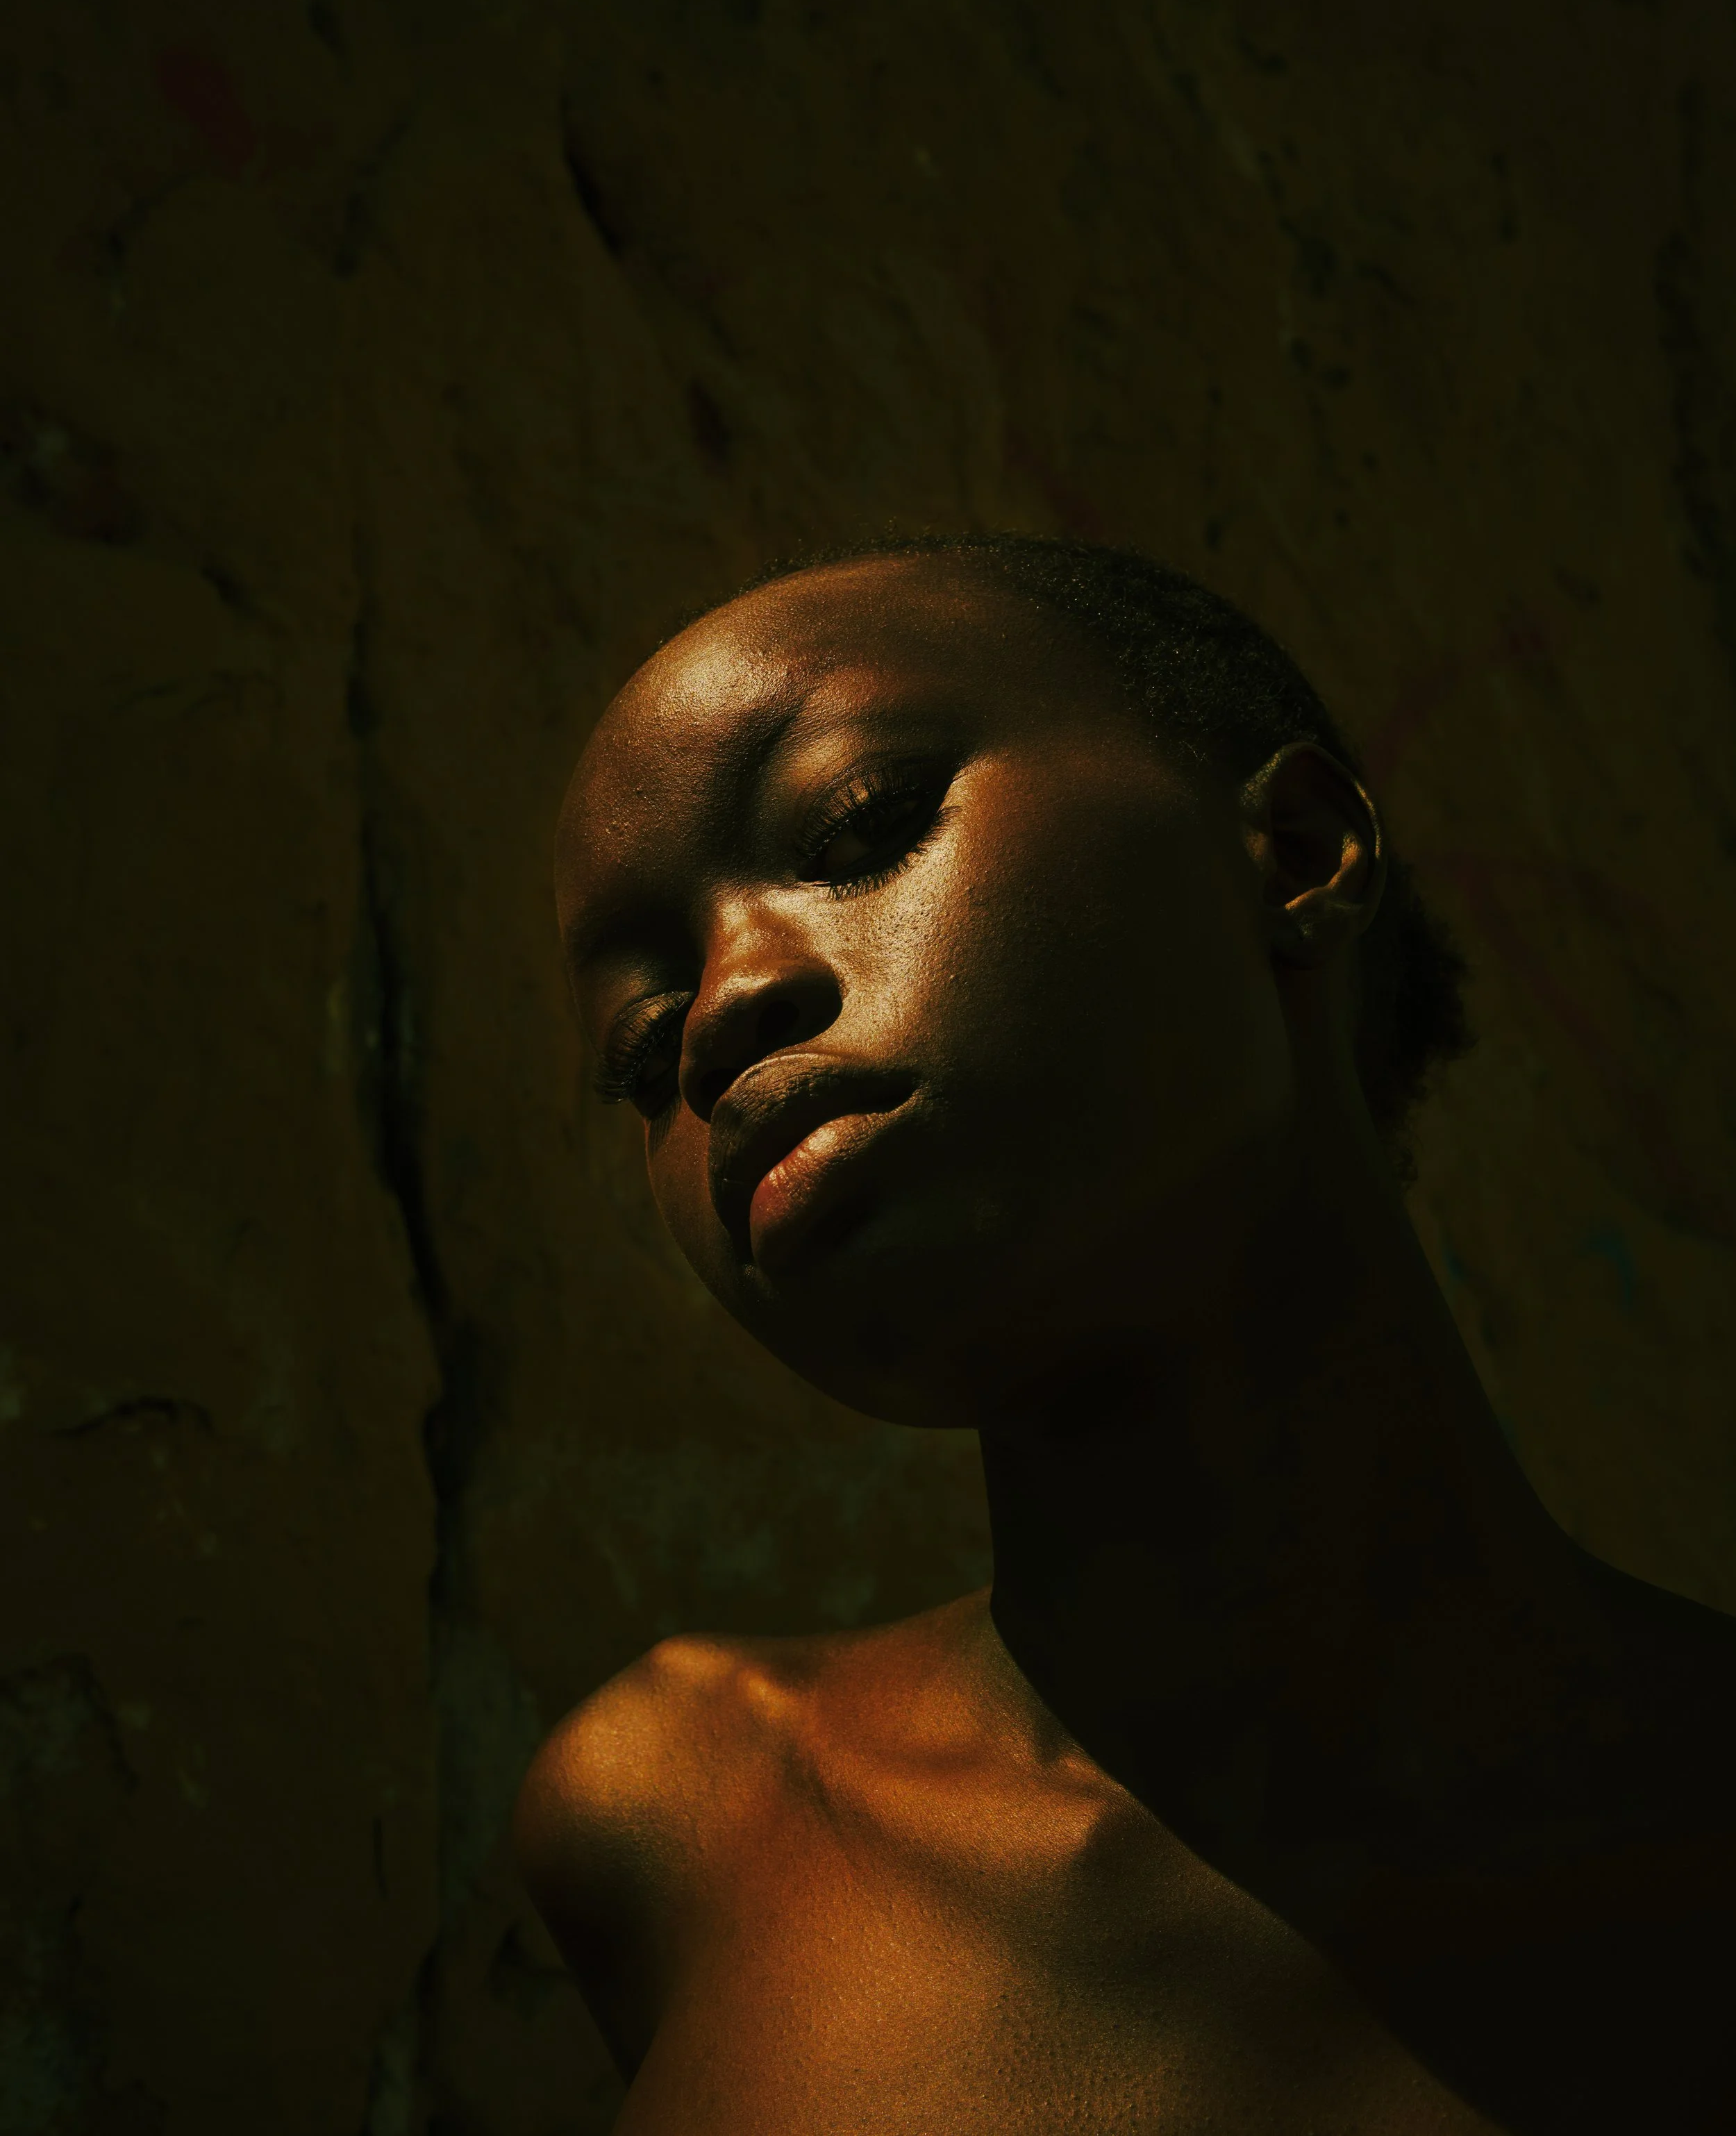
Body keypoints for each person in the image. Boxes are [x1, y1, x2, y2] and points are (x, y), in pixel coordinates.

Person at [516, 536, 1736, 2134]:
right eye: (641, 1044)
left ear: (1294, 852)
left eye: (859, 828)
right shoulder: (679, 1821)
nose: (724, 1009)